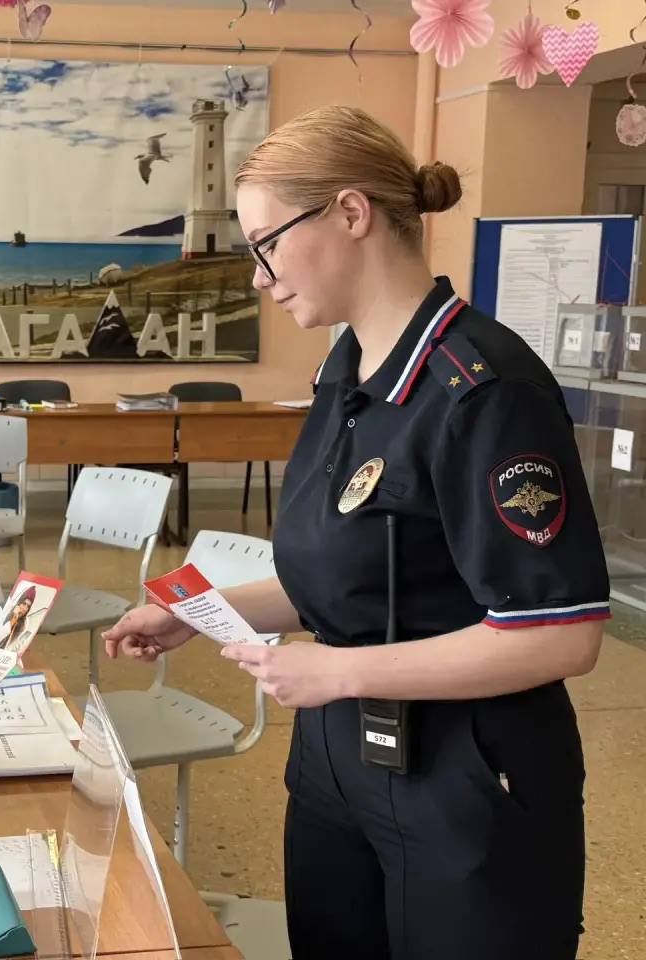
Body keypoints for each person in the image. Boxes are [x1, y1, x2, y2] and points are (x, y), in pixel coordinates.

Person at [104, 106, 609, 960]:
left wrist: (339, 671)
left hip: (462, 772)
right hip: (340, 760)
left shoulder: (482, 390)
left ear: (350, 212)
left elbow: (561, 634)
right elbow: (339, 583)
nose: (259, 276)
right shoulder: (344, 377)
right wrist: (199, 613)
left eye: (266, 242)